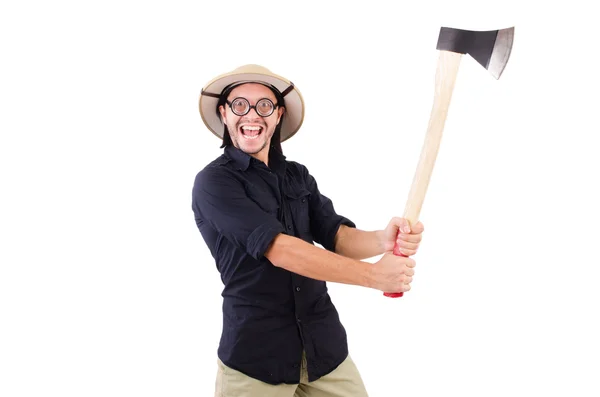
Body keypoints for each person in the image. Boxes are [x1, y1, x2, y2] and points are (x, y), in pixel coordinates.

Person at [192, 64, 424, 397]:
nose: (252, 115)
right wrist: (374, 276)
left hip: (323, 350)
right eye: (240, 105)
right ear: (225, 114)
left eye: (264, 106)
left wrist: (382, 239)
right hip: (256, 361)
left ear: (278, 115)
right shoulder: (214, 183)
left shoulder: (297, 176)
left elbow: (336, 236)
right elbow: (280, 249)